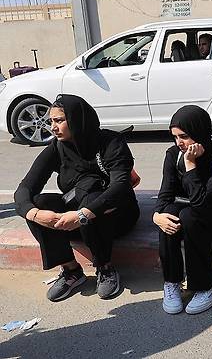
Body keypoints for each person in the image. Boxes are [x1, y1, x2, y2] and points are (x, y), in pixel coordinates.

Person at [14, 94, 140, 301]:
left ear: (77, 119)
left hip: (115, 217)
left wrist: (82, 215)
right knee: (38, 202)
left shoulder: (110, 142)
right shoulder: (57, 147)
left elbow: (119, 187)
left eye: (59, 121)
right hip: (72, 223)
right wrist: (35, 214)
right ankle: (71, 270)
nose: (53, 127)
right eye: (51, 121)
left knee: (93, 197)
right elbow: (25, 188)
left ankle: (105, 267)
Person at [153, 105, 212, 314]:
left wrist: (191, 165)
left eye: (184, 136)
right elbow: (165, 193)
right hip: (194, 211)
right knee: (170, 215)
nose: (179, 143)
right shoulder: (174, 154)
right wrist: (157, 215)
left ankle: (209, 284)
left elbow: (205, 203)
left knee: (188, 216)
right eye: (175, 137)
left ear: (200, 131)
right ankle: (172, 281)